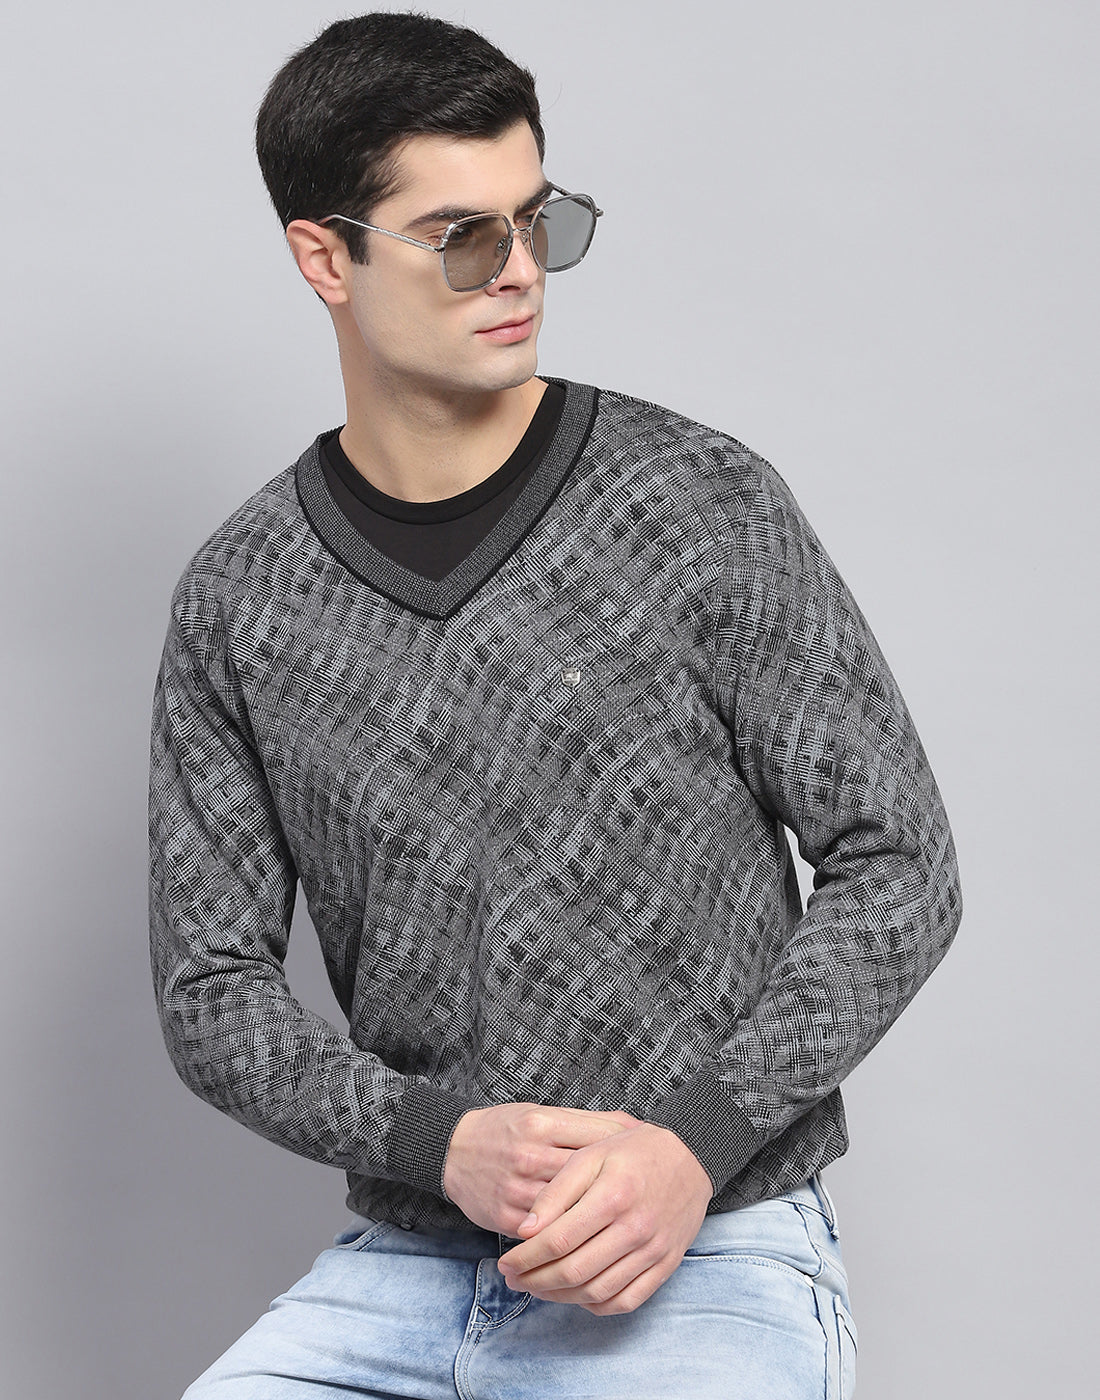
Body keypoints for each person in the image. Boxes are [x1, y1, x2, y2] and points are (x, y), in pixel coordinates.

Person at [148, 12, 961, 1398]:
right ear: (325, 257)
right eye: (460, 236)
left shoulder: (698, 503)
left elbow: (902, 865)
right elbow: (211, 992)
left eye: (537, 220)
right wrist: (432, 1142)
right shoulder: (242, 596)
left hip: (711, 1247)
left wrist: (696, 1141)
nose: (519, 269)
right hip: (403, 1269)